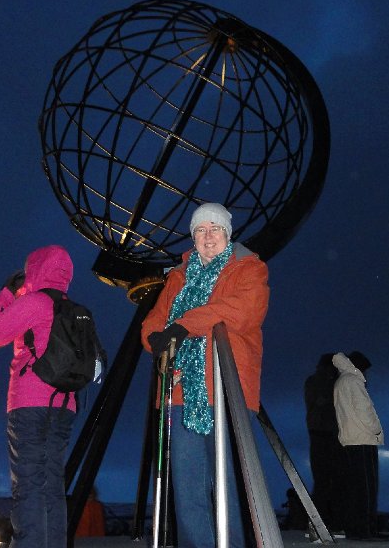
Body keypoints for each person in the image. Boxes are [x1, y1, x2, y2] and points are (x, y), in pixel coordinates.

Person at [141, 202, 270, 548]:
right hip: (180, 392)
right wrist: (154, 336)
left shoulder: (248, 268)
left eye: (215, 229)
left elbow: (242, 311)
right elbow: (156, 317)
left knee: (233, 485)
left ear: (228, 234)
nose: (208, 236)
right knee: (187, 488)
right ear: (193, 237)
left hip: (227, 393)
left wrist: (183, 326)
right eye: (200, 230)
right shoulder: (177, 277)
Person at [0, 244, 77, 548]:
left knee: (29, 486)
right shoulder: (72, 309)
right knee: (51, 485)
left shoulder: (36, 302)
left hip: (29, 403)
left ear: (35, 269)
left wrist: (6, 294)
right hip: (65, 405)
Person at [332, 351, 389, 542]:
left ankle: (356, 529)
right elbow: (364, 410)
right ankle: (366, 530)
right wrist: (375, 429)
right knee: (366, 488)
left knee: (355, 487)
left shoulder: (341, 381)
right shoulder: (354, 380)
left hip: (350, 439)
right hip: (362, 439)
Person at [304, 353, 348, 536]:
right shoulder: (321, 382)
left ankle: (325, 523)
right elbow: (321, 402)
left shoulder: (319, 381)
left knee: (326, 480)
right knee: (328, 480)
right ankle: (324, 524)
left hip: (324, 433)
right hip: (325, 434)